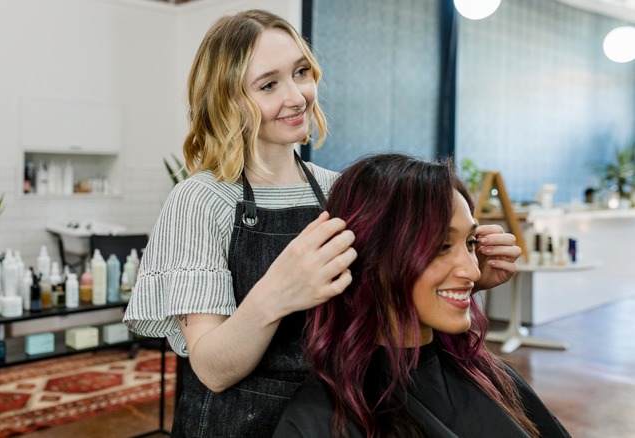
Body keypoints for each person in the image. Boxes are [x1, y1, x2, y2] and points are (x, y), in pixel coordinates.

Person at [123, 9, 521, 437]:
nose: (296, 96)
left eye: (301, 72)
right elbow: (212, 370)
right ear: (226, 98)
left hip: (337, 417)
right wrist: (276, 293)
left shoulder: (340, 191)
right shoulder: (200, 201)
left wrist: (463, 276)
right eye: (268, 84)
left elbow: (384, 303)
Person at [274, 154, 569, 438]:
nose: (474, 271)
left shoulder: (488, 376)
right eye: (441, 246)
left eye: (469, 243)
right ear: (372, 255)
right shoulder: (318, 419)